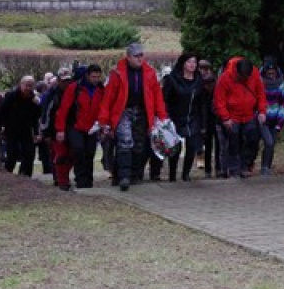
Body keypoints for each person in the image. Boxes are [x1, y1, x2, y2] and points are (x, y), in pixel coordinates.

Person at [98, 43, 168, 191]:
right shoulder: (117, 73)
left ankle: (133, 174)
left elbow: (157, 97)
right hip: (123, 112)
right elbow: (108, 98)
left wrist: (162, 117)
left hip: (142, 112)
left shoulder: (150, 73)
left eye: (142, 55)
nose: (140, 58)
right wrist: (104, 121)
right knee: (125, 142)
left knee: (139, 145)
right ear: (128, 57)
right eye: (136, 56)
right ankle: (124, 176)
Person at [213, 57, 267, 178]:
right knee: (233, 142)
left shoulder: (255, 74)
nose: (245, 79)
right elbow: (219, 100)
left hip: (249, 115)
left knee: (253, 139)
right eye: (242, 77)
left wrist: (262, 111)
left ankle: (246, 165)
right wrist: (226, 118)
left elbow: (260, 93)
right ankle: (233, 169)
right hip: (232, 116)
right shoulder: (225, 77)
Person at [55, 64, 105, 189]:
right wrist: (60, 129)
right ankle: (81, 180)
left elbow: (103, 109)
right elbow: (63, 109)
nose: (95, 79)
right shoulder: (74, 88)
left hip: (92, 127)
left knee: (90, 153)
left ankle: (88, 180)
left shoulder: (100, 89)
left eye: (98, 77)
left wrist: (103, 125)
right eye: (93, 77)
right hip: (75, 126)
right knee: (78, 151)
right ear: (87, 76)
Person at [163, 53, 205, 182]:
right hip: (175, 117)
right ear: (183, 64)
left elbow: (201, 102)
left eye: (194, 62)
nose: (192, 65)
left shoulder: (198, 80)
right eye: (189, 62)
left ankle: (186, 174)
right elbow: (165, 99)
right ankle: (172, 174)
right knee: (175, 148)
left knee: (192, 145)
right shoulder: (172, 79)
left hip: (193, 117)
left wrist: (203, 121)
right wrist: (166, 117)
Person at [0, 75, 41, 177]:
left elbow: (35, 117)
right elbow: (1, 112)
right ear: (21, 85)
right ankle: (7, 174)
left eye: (31, 86)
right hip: (11, 129)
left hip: (26, 129)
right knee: (12, 154)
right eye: (26, 85)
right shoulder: (11, 96)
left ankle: (25, 175)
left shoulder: (34, 99)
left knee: (29, 154)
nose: (28, 88)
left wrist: (36, 132)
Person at [40, 68, 74, 190]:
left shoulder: (74, 92)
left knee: (72, 154)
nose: (66, 83)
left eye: (68, 81)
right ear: (58, 81)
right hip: (54, 131)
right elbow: (45, 115)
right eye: (64, 81)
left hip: (71, 129)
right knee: (61, 154)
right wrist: (46, 134)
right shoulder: (51, 95)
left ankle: (62, 176)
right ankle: (61, 180)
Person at [259, 58, 284, 176]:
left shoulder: (282, 85)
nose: (271, 75)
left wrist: (280, 123)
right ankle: (264, 167)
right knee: (269, 142)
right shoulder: (259, 82)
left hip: (275, 119)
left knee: (271, 144)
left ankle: (267, 166)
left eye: (273, 72)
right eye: (269, 73)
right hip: (262, 118)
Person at [198, 59, 221, 178]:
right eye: (201, 69)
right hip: (203, 118)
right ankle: (206, 169)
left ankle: (218, 168)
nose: (203, 71)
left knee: (217, 144)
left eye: (205, 69)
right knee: (205, 145)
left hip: (214, 116)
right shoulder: (197, 83)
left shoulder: (215, 82)